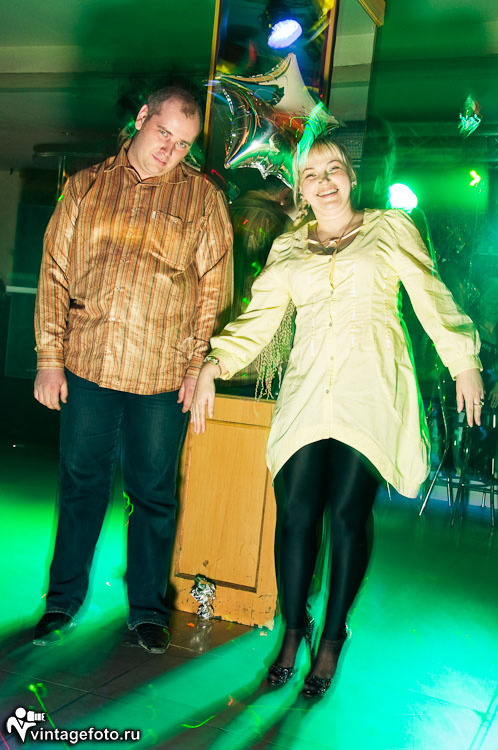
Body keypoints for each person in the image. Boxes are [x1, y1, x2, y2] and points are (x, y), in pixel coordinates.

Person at [190, 132, 483, 695]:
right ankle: (293, 628)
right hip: (307, 388)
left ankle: (331, 637)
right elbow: (259, 317)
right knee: (296, 510)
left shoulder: (389, 228)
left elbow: (429, 293)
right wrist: (214, 363)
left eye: (333, 170)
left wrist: (462, 360)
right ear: (299, 188)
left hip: (370, 387)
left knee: (347, 513)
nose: (323, 182)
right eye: (310, 174)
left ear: (350, 175)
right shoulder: (288, 247)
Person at [33, 86, 233, 652]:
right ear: (142, 118)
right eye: (164, 133)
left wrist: (197, 367)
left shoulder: (203, 199)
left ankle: (147, 609)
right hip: (88, 365)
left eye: (184, 143)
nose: (171, 150)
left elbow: (214, 292)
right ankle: (62, 600)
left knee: (153, 494)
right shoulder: (84, 187)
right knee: (81, 485)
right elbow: (54, 274)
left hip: (163, 376)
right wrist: (49, 358)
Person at [221, 175, 292, 395]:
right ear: (285, 195)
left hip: (218, 342)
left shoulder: (225, 212)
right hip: (256, 349)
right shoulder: (280, 223)